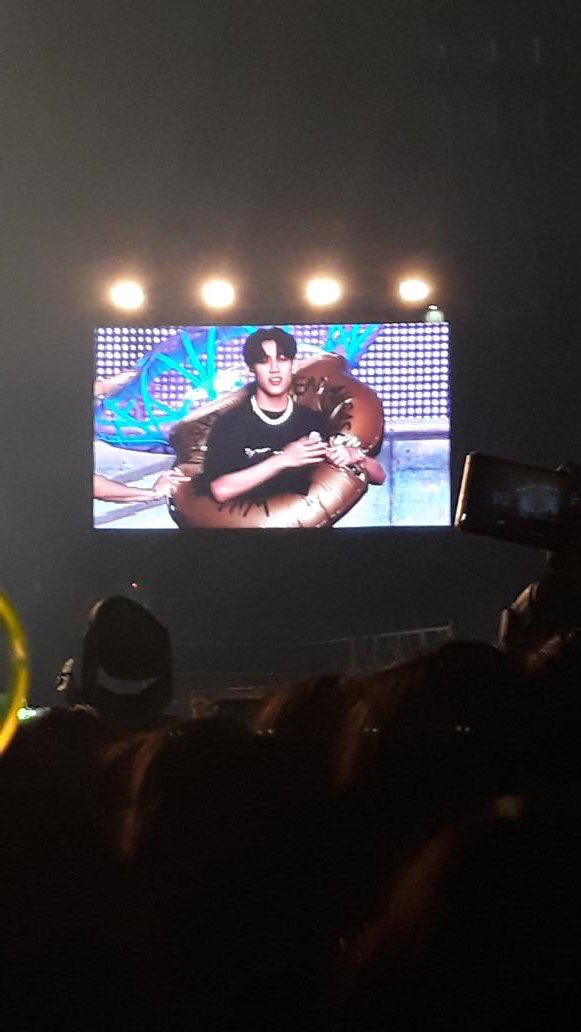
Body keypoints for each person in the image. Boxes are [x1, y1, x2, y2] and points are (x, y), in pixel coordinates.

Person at [202, 326, 385, 504]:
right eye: (264, 361)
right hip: (247, 523)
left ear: (294, 365)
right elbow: (220, 490)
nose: (274, 369)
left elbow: (380, 476)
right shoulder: (230, 423)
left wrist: (356, 456)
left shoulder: (312, 420)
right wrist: (283, 459)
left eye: (282, 359)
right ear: (252, 368)